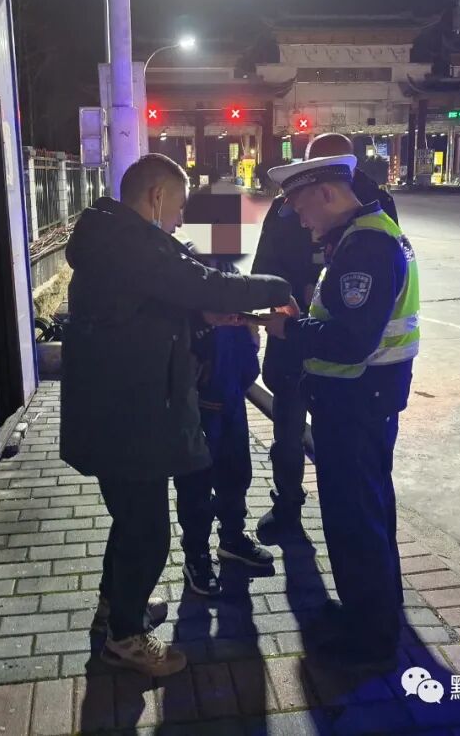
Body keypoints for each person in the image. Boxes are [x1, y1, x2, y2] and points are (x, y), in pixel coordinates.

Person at [60, 154, 291, 677]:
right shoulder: (132, 244)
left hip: (119, 406)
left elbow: (152, 308)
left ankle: (117, 606)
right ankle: (125, 638)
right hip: (127, 414)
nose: (181, 219)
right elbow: (208, 284)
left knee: (130, 521)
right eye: (179, 207)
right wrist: (278, 288)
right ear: (157, 196)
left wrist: (202, 317)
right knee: (147, 531)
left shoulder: (114, 240)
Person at [262, 153, 419, 664]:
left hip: (356, 401)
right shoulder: (367, 234)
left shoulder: (366, 246)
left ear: (327, 193)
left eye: (300, 205)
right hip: (365, 400)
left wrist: (289, 328)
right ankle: (373, 614)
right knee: (369, 510)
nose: (298, 218)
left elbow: (351, 341)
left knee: (355, 519)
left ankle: (368, 638)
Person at [251, 133, 399, 541]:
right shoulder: (287, 207)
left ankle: (359, 540)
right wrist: (290, 297)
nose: (304, 220)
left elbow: (378, 284)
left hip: (350, 364)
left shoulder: (374, 207)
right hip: (296, 340)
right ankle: (288, 504)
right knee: (288, 433)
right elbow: (264, 270)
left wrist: (323, 295)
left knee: (355, 472)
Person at [174, 246, 274, 597]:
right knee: (197, 482)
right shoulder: (185, 270)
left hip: (231, 394)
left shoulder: (229, 269)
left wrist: (251, 344)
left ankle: (232, 538)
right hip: (200, 401)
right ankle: (196, 554)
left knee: (236, 472)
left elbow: (245, 322)